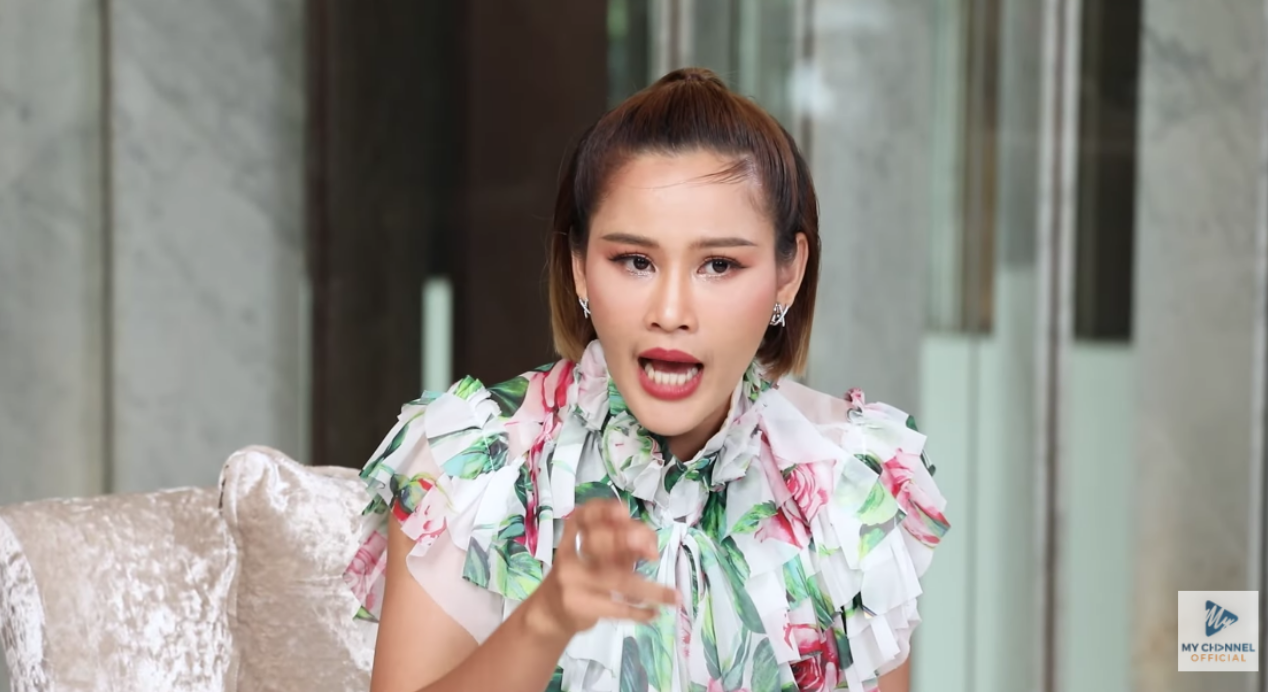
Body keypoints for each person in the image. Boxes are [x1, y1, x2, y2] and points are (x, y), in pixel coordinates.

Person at [343, 67, 950, 692]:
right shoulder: (467, 468)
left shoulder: (848, 485)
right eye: (635, 261)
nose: (671, 311)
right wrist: (544, 620)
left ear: (787, 275)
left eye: (719, 265)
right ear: (579, 267)